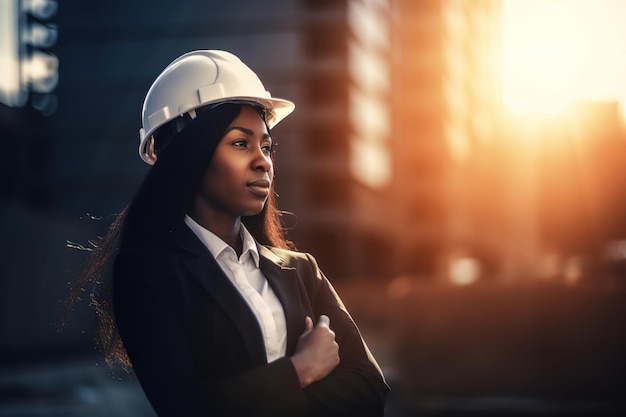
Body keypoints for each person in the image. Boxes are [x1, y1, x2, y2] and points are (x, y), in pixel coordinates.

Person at [67, 50, 388, 417]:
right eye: (240, 143)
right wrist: (302, 369)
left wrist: (253, 397)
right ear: (189, 154)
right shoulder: (147, 274)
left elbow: (369, 386)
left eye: (266, 146)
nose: (262, 160)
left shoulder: (300, 270)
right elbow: (187, 408)